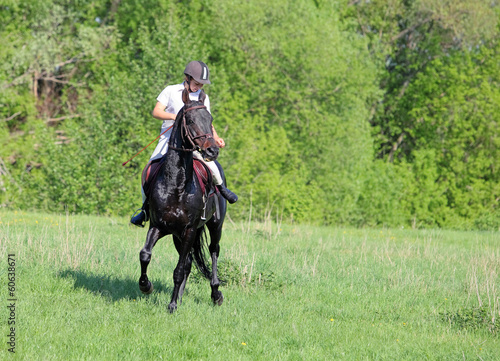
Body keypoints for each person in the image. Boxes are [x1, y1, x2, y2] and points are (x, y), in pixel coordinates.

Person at [131, 61, 238, 227]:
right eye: (196, 83)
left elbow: (205, 122)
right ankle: (145, 209)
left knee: (212, 167)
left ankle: (221, 190)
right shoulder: (171, 90)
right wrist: (176, 117)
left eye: (201, 84)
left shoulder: (203, 97)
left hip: (192, 142)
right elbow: (156, 112)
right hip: (169, 140)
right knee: (149, 170)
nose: (198, 87)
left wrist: (216, 138)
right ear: (187, 78)